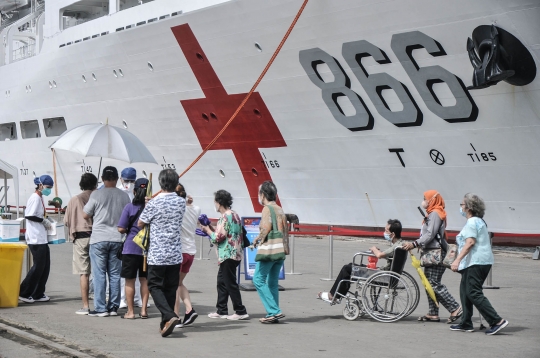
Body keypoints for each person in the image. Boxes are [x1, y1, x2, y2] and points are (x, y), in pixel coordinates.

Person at [450, 193, 508, 335]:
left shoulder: (472, 222)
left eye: (462, 205)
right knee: (465, 291)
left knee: (473, 292)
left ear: (469, 207)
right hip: (477, 261)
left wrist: (457, 260)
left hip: (476, 261)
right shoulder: (479, 221)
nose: (460, 207)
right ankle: (466, 323)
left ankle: (496, 320)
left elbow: (470, 242)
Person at [138, 169, 186, 337]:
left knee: (154, 285)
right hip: (174, 252)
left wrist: (147, 204)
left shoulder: (154, 203)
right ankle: (165, 322)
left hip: (157, 253)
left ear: (160, 183)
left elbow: (140, 223)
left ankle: (169, 315)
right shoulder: (181, 202)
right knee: (170, 288)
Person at [403, 190, 462, 323]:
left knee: (433, 283)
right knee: (428, 283)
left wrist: (414, 244)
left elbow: (430, 234)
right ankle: (433, 312)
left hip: (436, 253)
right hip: (431, 252)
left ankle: (455, 308)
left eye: (425, 198)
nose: (424, 201)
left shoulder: (435, 214)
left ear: (432, 200)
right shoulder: (433, 213)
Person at [317, 219, 404, 303]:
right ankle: (338, 294)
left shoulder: (396, 247)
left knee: (347, 269)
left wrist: (374, 249)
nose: (384, 233)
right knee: (351, 266)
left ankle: (333, 295)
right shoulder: (401, 244)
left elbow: (380, 255)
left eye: (386, 231)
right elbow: (387, 255)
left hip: (383, 276)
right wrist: (377, 251)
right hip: (387, 274)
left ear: (392, 234)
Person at [83, 166, 130, 317]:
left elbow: (85, 214)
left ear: (102, 179)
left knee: (99, 274)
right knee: (115, 274)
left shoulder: (96, 194)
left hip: (98, 238)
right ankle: (113, 307)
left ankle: (100, 307)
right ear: (117, 179)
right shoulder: (124, 196)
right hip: (117, 238)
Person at [201, 190, 249, 321]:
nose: (215, 205)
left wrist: (206, 230)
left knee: (229, 283)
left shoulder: (224, 216)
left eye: (215, 202)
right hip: (236, 252)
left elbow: (218, 237)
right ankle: (221, 309)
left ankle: (240, 310)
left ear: (219, 202)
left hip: (227, 254)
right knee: (222, 281)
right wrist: (211, 227)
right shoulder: (235, 215)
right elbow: (226, 231)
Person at [252, 181, 289, 324]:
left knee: (258, 279)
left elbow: (266, 228)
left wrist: (257, 239)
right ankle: (273, 312)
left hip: (270, 250)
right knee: (273, 282)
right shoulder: (279, 209)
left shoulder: (267, 209)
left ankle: (274, 311)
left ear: (263, 195)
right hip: (280, 250)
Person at [64, 173, 97, 314]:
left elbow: (66, 221)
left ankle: (85, 306)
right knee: (100, 272)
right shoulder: (97, 197)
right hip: (97, 236)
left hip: (80, 237)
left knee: (84, 273)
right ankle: (102, 304)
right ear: (95, 184)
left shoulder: (74, 199)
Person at [19, 175, 55, 304]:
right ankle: (24, 292)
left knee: (45, 266)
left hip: (41, 237)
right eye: (47, 187)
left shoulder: (40, 198)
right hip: (35, 238)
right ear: (40, 186)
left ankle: (38, 293)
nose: (48, 190)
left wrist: (46, 220)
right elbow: (29, 215)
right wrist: (43, 220)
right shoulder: (35, 198)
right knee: (38, 267)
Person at [117, 178, 150, 320]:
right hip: (147, 249)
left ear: (135, 191)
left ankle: (130, 312)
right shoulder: (152, 207)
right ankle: (143, 310)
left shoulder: (129, 207)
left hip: (131, 247)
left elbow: (121, 228)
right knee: (145, 280)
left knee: (129, 280)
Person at [174, 184, 200, 327]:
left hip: (180, 251)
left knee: (174, 285)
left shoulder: (178, 210)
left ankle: (176, 316)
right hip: (191, 251)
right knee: (179, 283)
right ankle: (189, 310)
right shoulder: (196, 209)